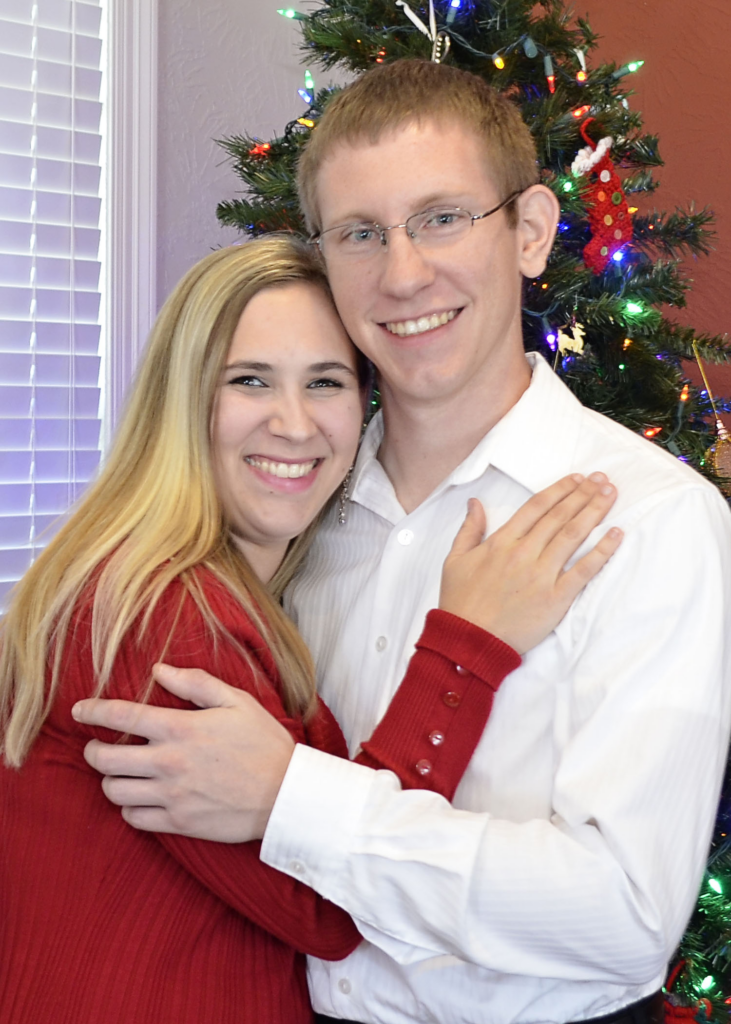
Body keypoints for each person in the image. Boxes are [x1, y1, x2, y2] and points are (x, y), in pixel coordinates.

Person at [73, 61, 731, 1024]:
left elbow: (624, 916)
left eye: (441, 218)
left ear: (531, 232)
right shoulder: (294, 508)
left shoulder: (649, 517)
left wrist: (289, 799)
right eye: (360, 234)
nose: (403, 273)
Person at [0, 234, 620, 1024]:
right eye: (250, 380)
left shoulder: (217, 592)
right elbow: (332, 911)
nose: (294, 425)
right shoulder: (160, 619)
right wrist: (464, 647)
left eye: (325, 381)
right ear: (182, 399)